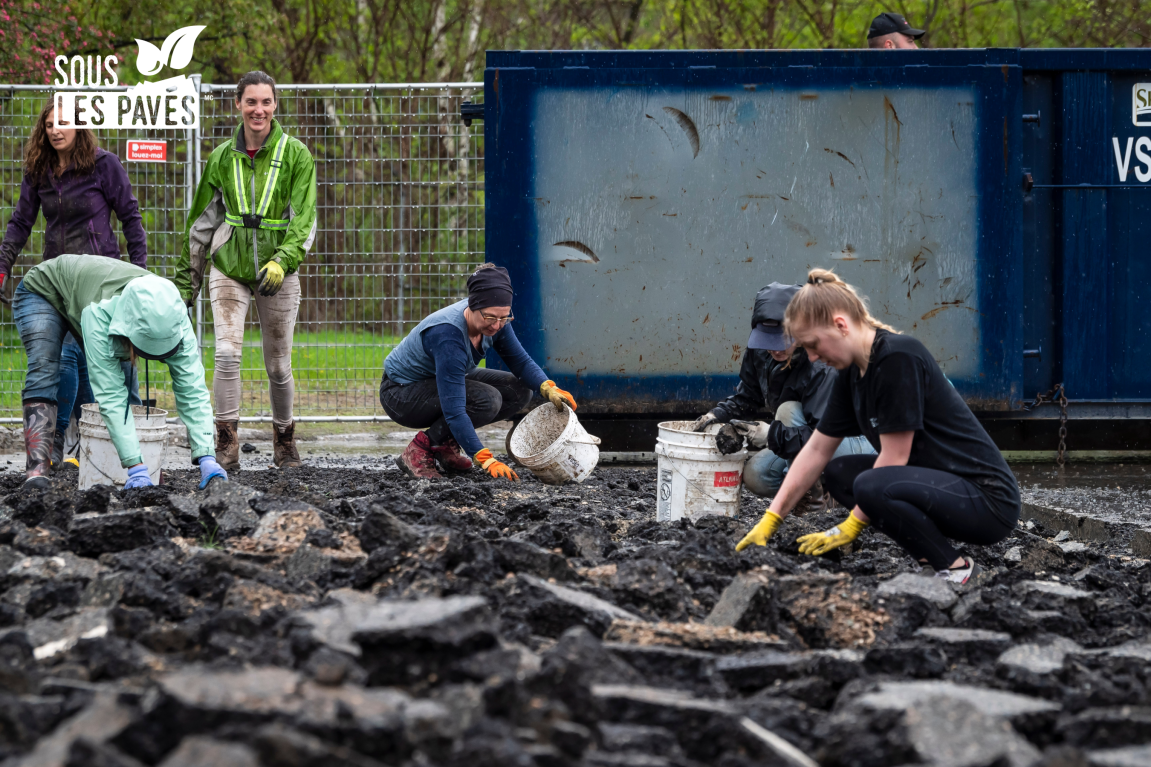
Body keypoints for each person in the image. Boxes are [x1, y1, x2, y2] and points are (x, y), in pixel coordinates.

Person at [735, 269, 1020, 585]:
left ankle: (956, 570)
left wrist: (850, 526)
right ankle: (930, 560)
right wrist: (770, 520)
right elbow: (817, 448)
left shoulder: (898, 357)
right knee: (840, 473)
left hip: (987, 502)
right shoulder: (851, 374)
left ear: (841, 326)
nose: (813, 358)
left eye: (814, 345)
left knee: (870, 485)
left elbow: (895, 458)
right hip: (940, 488)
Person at [175, 70, 317, 471]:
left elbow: (304, 221)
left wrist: (282, 260)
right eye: (251, 101)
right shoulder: (222, 157)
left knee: (278, 365)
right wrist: (187, 282)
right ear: (237, 104)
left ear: (275, 105)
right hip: (230, 267)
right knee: (225, 353)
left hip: (279, 271)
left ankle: (284, 439)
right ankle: (226, 443)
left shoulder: (296, 155)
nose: (259, 109)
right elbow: (201, 222)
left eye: (266, 101)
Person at [0, 98, 148, 468]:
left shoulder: (103, 165)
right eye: (49, 124)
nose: (56, 130)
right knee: (65, 359)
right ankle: (54, 448)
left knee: (113, 362)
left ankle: (129, 449)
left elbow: (131, 218)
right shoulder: (41, 170)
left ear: (80, 126)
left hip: (101, 279)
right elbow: (21, 221)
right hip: (59, 281)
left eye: (63, 122)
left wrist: (139, 275)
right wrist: (2, 264)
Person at [13, 254, 226, 491]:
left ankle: (126, 461)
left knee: (126, 381)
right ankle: (37, 470)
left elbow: (192, 389)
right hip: (44, 291)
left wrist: (208, 458)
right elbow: (112, 395)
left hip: (88, 294)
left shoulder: (174, 316)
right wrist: (136, 468)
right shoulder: (99, 316)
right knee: (47, 366)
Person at [380, 263, 577, 480]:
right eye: (490, 318)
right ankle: (419, 449)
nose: (496, 325)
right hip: (400, 393)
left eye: (504, 318)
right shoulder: (448, 335)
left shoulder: (497, 319)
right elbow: (454, 409)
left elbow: (519, 361)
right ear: (472, 306)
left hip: (437, 379)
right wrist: (483, 457)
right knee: (486, 399)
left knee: (519, 390)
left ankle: (444, 444)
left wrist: (547, 387)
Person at [691, 282, 874, 511]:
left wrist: (771, 435)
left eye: (783, 341)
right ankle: (829, 493)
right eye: (768, 341)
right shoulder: (760, 351)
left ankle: (813, 504)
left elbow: (824, 435)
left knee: (787, 410)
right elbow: (749, 395)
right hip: (803, 437)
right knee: (757, 475)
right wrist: (716, 414)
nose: (775, 349)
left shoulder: (822, 364)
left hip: (853, 440)